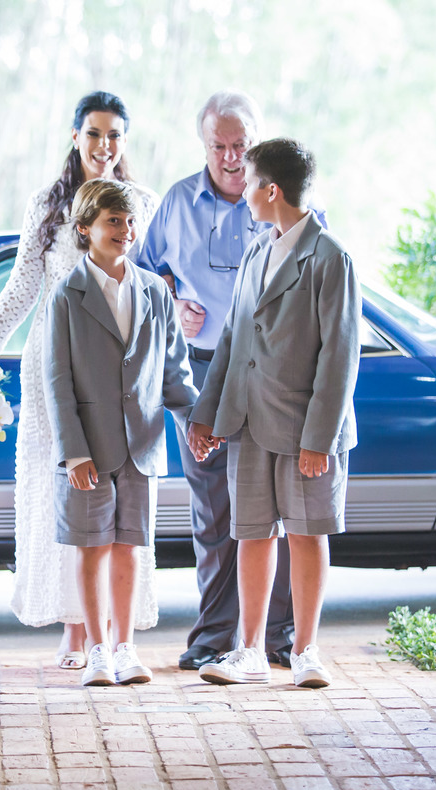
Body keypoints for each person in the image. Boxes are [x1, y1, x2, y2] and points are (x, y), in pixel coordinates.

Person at [0, 92, 162, 669]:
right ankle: (75, 627)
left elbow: (153, 283)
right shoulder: (45, 206)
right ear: (75, 135)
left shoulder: (143, 205)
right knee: (62, 495)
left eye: (116, 136)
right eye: (95, 134)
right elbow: (23, 284)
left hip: (116, 371)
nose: (105, 147)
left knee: (117, 499)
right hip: (50, 362)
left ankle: (113, 630)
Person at [138, 90, 326, 671]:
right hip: (202, 370)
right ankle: (217, 636)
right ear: (204, 145)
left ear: (257, 144)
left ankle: (282, 638)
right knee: (217, 509)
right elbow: (142, 273)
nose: (228, 156)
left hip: (278, 378)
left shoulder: (286, 205)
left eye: (239, 145)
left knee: (285, 509)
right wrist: (172, 298)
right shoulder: (175, 203)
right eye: (217, 145)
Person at [186, 138, 361, 687]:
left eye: (249, 181)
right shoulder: (256, 253)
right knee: (252, 534)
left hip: (309, 427)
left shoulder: (331, 257)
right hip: (249, 423)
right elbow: (233, 340)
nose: (241, 190)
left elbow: (340, 354)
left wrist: (321, 438)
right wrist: (208, 416)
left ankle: (306, 651)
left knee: (309, 534)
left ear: (272, 190)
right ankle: (251, 651)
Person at [43, 179, 199, 685]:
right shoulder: (67, 294)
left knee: (131, 547)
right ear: (86, 229)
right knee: (92, 548)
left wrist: (194, 419)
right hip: (89, 447)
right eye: (113, 221)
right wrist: (73, 452)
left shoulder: (155, 290)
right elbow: (57, 380)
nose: (125, 231)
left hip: (143, 444)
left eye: (130, 222)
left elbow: (174, 371)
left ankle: (126, 646)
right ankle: (96, 651)